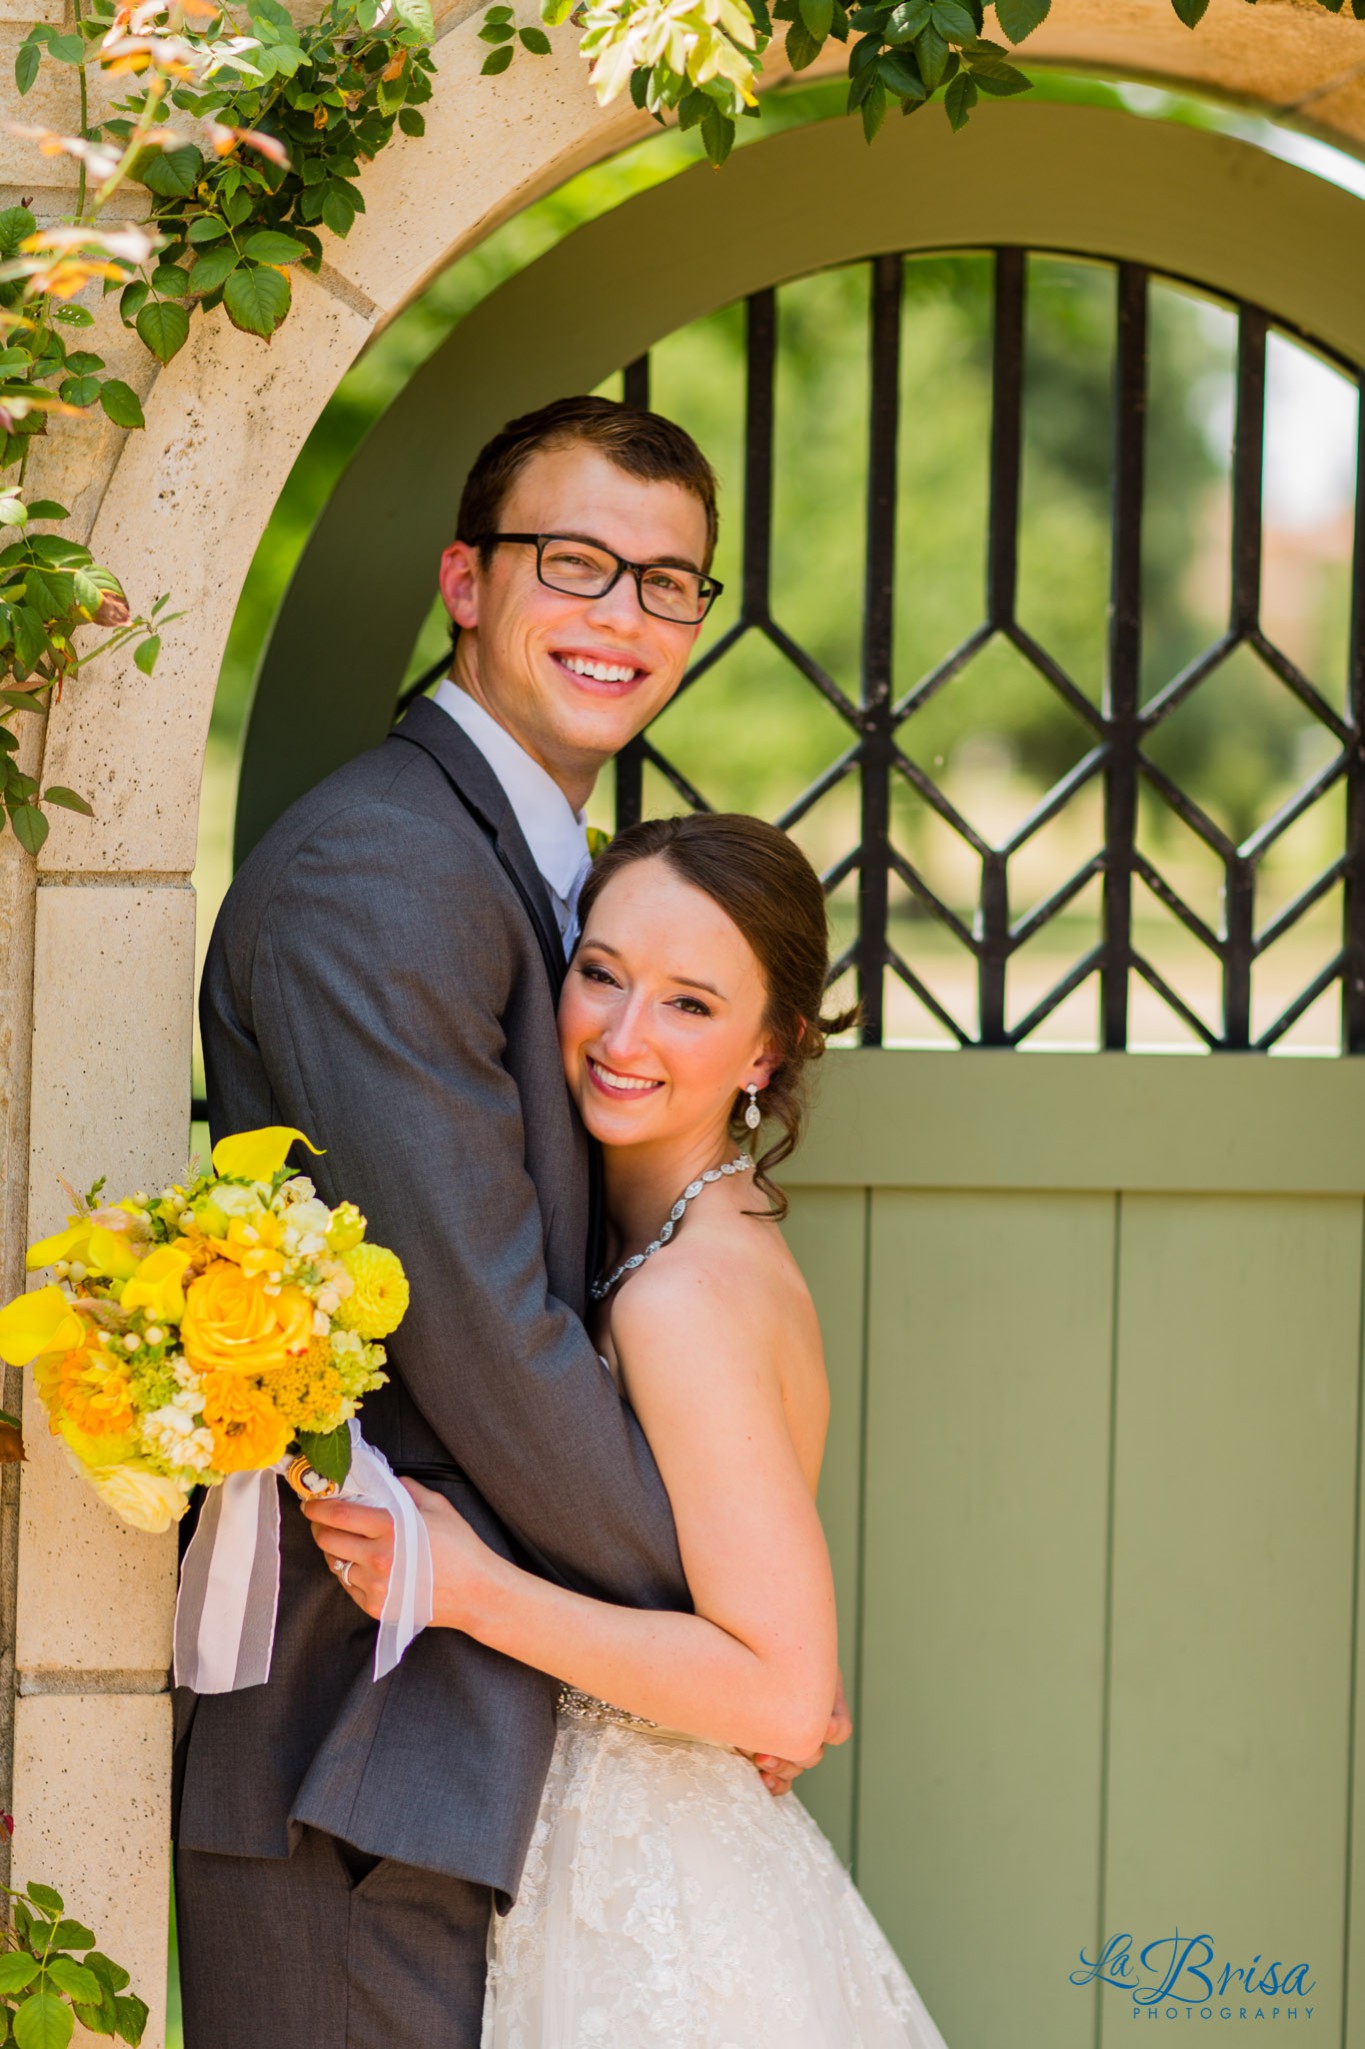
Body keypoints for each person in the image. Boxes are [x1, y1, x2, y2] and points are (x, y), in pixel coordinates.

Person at [175, 397, 846, 2049]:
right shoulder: (384, 874)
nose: (623, 614)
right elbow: (478, 1320)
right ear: (467, 581)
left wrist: (722, 1654)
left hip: (470, 1736)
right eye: (575, 563)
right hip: (359, 1742)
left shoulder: (545, 873)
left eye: (668, 582)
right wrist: (733, 1640)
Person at [306, 812, 953, 2049]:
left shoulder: (684, 1297)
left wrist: (466, 1587)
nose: (622, 1034)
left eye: (691, 1006)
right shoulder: (683, 1241)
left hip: (665, 1905)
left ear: (770, 1051)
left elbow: (782, 1695)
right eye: (601, 974)